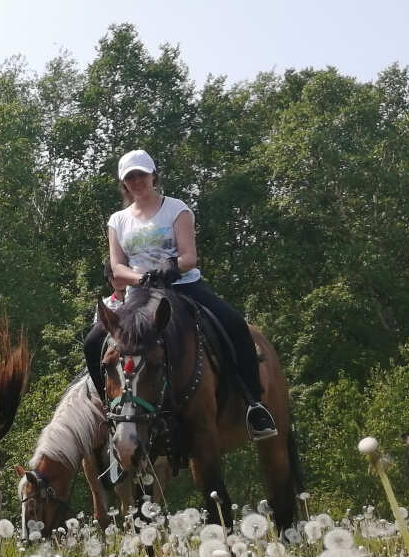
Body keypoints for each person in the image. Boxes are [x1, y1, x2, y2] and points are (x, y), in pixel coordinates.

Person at [82, 150, 278, 440]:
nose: (137, 181)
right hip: (139, 294)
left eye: (142, 175)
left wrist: (169, 267)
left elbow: (189, 257)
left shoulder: (176, 208)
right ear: (124, 183)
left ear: (153, 176)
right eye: (130, 177)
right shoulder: (118, 220)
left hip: (183, 286)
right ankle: (111, 412)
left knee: (234, 322)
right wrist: (142, 277)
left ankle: (254, 404)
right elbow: (117, 266)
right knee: (93, 340)